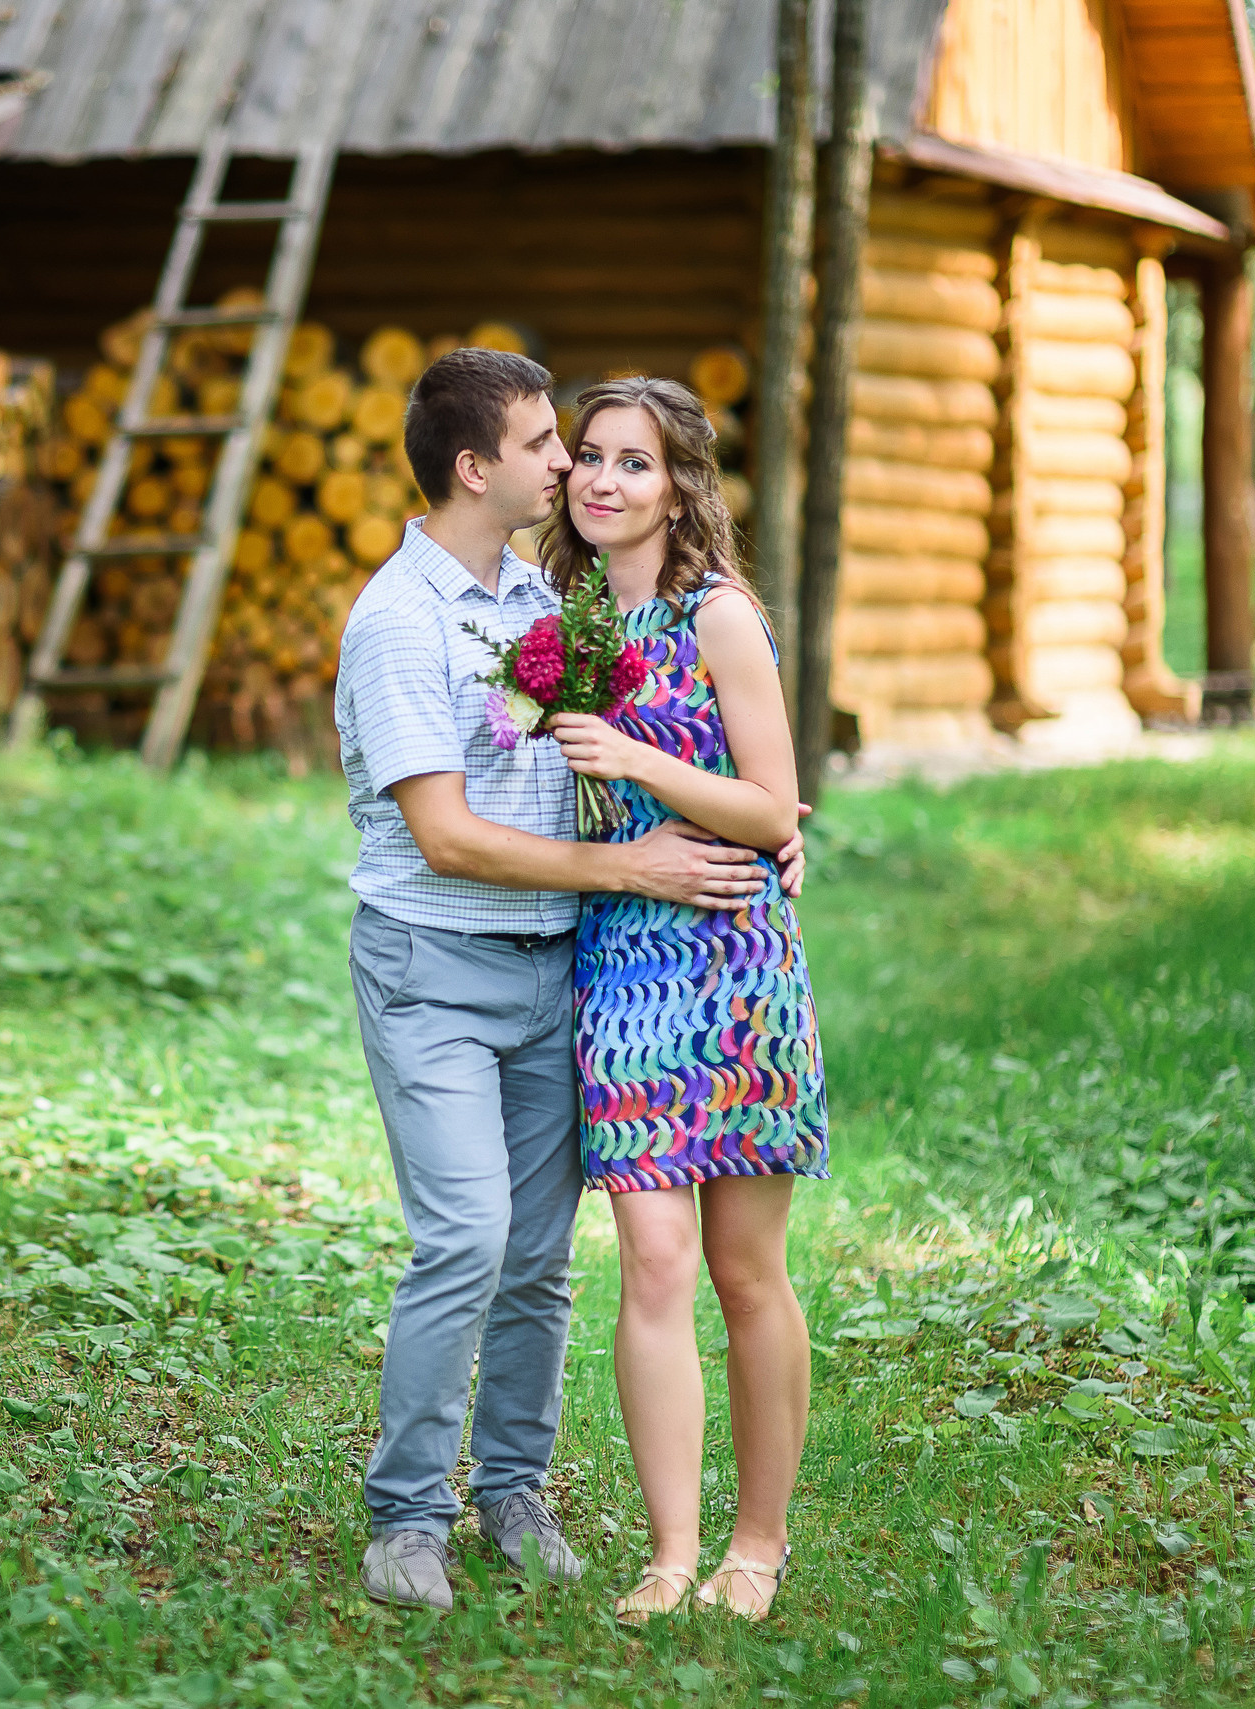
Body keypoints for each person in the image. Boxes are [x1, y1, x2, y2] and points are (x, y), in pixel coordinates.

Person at [333, 349, 803, 1614]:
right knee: (473, 1237)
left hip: (588, 961)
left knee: (543, 1259)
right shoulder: (401, 619)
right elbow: (446, 834)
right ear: (479, 467)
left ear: (673, 484)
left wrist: (774, 822)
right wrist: (637, 861)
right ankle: (408, 1516)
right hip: (457, 959)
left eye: (604, 453)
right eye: (559, 447)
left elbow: (743, 772)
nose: (575, 469)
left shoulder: (548, 603)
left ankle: (517, 1492)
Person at [540, 374, 828, 1625]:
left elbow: (772, 804)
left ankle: (754, 1545)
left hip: (732, 961)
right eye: (590, 457)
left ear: (680, 487)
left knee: (742, 1268)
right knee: (650, 1257)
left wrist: (639, 756)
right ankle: (669, 1550)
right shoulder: (558, 624)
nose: (604, 480)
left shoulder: (720, 617)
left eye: (635, 463)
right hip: (619, 954)